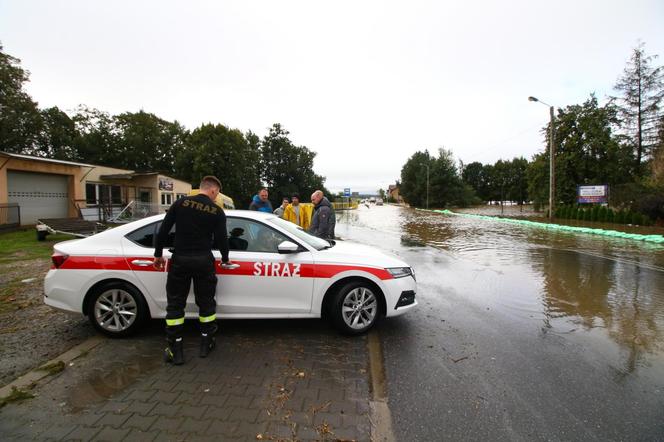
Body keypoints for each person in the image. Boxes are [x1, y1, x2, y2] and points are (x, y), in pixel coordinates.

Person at [153, 176, 231, 365]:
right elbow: (222, 239)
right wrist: (226, 258)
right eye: (217, 193)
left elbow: (164, 230)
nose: (216, 196)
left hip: (180, 259)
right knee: (206, 303)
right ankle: (206, 343)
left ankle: (175, 350)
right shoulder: (217, 211)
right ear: (213, 190)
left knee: (175, 304)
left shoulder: (180, 203)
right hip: (204, 260)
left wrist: (158, 254)